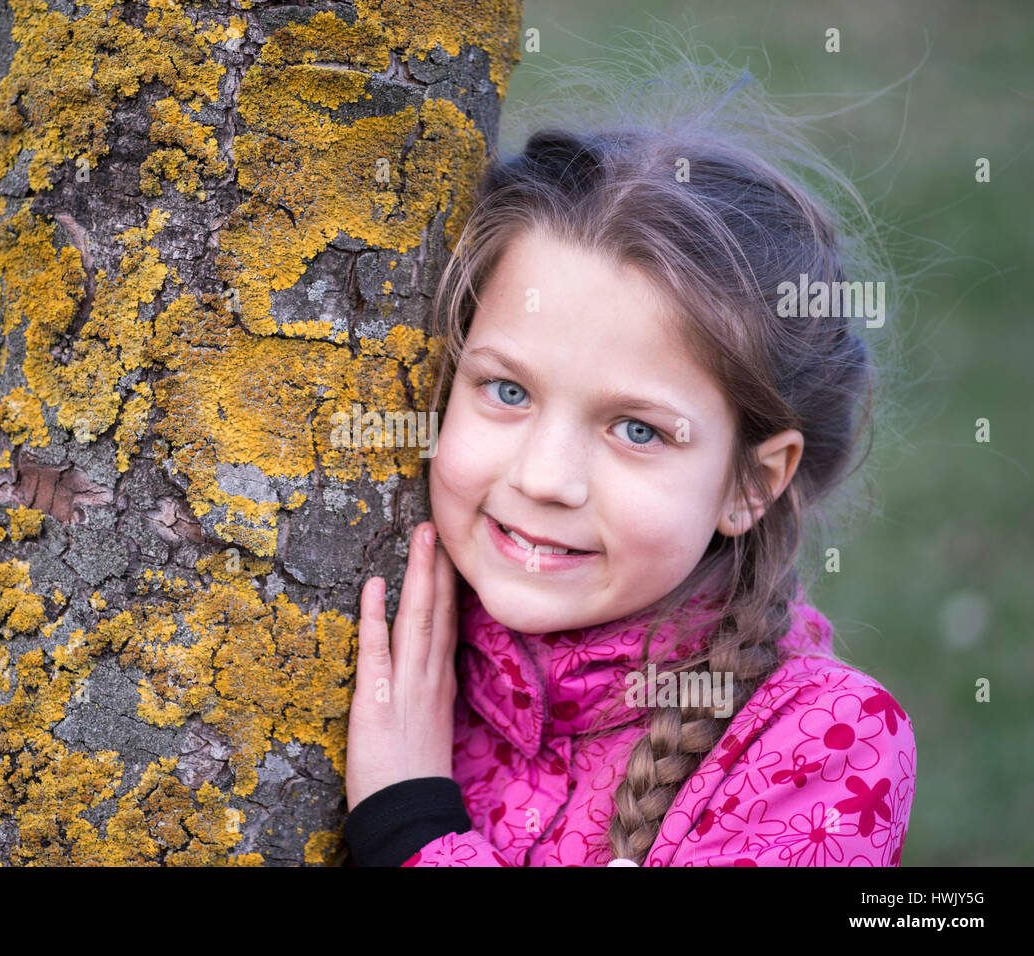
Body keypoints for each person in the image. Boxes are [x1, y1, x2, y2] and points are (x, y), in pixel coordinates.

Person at [342, 60, 916, 866]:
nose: (545, 478)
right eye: (507, 389)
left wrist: (408, 828)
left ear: (753, 481)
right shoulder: (368, 641)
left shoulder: (824, 744)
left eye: (638, 431)